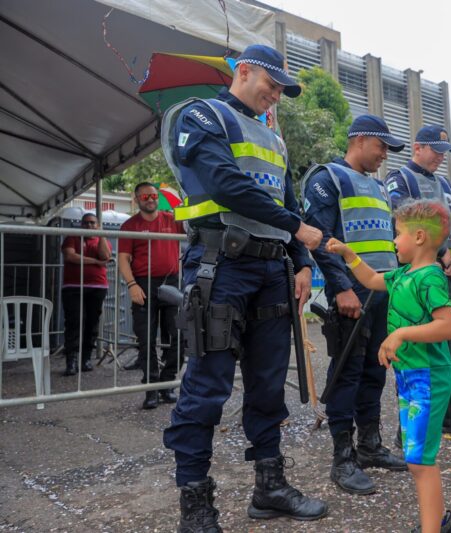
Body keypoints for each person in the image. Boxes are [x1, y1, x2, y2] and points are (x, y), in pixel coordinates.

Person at [160, 44, 327, 530]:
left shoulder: (274, 139)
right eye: (270, 84)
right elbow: (225, 185)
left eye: (280, 90)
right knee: (207, 386)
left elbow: (288, 202)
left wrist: (299, 261)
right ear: (244, 71)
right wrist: (299, 234)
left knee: (268, 384)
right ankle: (196, 506)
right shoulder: (201, 115)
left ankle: (269, 488)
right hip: (221, 265)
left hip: (272, 271)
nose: (274, 95)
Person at [326, 199, 451, 532]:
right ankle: (439, 523)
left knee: (419, 461)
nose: (393, 242)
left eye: (396, 234)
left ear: (417, 237)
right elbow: (370, 279)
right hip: (410, 380)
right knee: (418, 458)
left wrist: (400, 333)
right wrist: (347, 254)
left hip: (429, 380)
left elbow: (449, 326)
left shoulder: (429, 278)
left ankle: (435, 529)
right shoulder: (402, 275)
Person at [302, 114, 407, 496]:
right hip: (353, 294)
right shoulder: (327, 178)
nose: (384, 155)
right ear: (360, 140)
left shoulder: (380, 188)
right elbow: (321, 239)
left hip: (383, 292)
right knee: (346, 372)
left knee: (376, 370)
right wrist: (342, 288)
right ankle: (342, 457)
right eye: (381, 146)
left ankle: (370, 444)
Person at [385, 125, 451, 436]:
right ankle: (410, 426)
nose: (441, 158)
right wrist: (443, 251)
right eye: (436, 151)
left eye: (445, 153)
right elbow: (401, 216)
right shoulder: (399, 178)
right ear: (418, 148)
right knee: (416, 354)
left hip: (449, 281)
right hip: (419, 280)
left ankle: (450, 413)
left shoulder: (445, 184)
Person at [118, 182, 182, 408]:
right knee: (146, 339)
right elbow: (123, 259)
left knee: (179, 336)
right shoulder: (129, 226)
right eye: (145, 196)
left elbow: (194, 230)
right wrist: (132, 284)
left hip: (171, 282)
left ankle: (167, 383)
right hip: (143, 285)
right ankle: (151, 388)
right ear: (137, 200)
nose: (150, 199)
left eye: (153, 195)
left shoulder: (172, 219)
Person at [60, 212, 111, 376]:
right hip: (73, 287)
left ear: (97, 225)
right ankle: (71, 361)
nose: (89, 226)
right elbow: (70, 256)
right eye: (86, 223)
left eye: (92, 223)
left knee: (92, 323)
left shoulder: (101, 239)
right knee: (74, 322)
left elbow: (105, 256)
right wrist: (95, 262)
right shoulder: (73, 237)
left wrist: (101, 235)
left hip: (97, 287)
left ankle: (86, 359)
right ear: (81, 224)